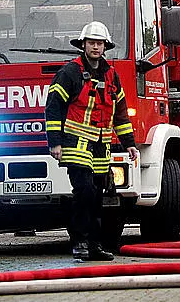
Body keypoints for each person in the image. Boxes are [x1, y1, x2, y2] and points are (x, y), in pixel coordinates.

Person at [45, 21, 138, 261]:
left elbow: (120, 112)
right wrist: (55, 142)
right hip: (75, 143)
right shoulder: (70, 73)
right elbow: (54, 107)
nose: (96, 47)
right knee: (84, 191)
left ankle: (95, 245)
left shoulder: (111, 75)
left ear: (105, 46)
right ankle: (79, 242)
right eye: (91, 43)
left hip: (100, 146)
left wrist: (129, 143)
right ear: (83, 45)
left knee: (98, 196)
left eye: (99, 43)